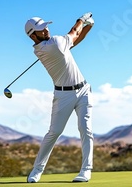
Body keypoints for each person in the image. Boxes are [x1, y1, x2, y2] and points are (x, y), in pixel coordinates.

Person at [24, 12, 94, 183]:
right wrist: (82, 20)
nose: (46, 30)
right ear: (33, 35)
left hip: (84, 90)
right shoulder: (53, 45)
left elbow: (74, 40)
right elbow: (73, 32)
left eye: (46, 26)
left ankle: (86, 170)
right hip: (63, 95)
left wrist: (88, 28)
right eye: (41, 29)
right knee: (54, 132)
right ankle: (37, 170)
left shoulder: (54, 45)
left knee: (86, 129)